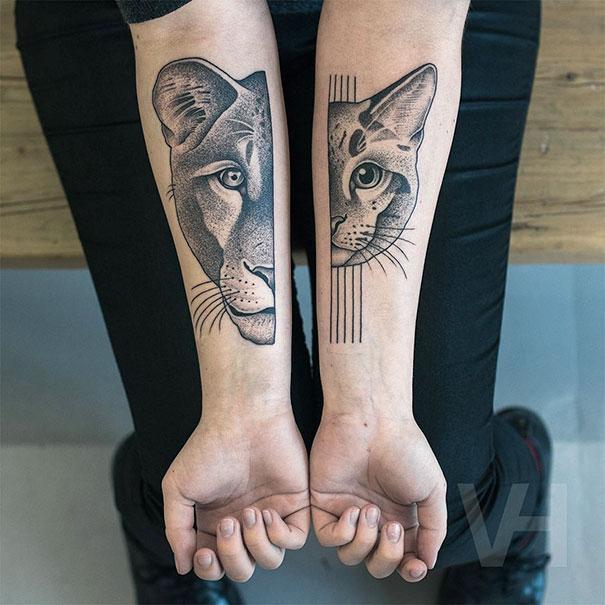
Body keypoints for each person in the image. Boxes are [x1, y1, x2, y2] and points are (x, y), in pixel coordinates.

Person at [15, 0, 551, 603]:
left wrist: (369, 409)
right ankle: (166, 545)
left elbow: (396, 23)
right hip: (155, 25)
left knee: (451, 498)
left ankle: (520, 515)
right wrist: (245, 405)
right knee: (187, 493)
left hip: (411, 23)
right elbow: (191, 24)